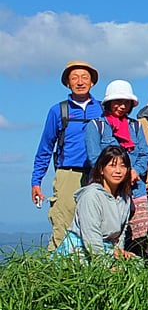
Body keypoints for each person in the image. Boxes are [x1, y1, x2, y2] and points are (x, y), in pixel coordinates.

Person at [31, 60, 104, 250]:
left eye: (84, 77)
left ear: (92, 82)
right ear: (68, 83)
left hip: (99, 174)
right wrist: (36, 182)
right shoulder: (58, 111)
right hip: (68, 173)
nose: (80, 82)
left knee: (99, 224)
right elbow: (45, 148)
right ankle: (54, 273)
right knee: (62, 224)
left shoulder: (103, 109)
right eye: (75, 78)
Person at [85, 80, 148, 248]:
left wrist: (134, 171)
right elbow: (94, 158)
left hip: (135, 189)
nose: (122, 106)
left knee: (140, 239)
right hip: (106, 191)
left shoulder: (135, 126)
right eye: (118, 102)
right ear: (109, 103)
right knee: (107, 233)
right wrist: (117, 175)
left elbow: (144, 153)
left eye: (126, 102)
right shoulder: (96, 126)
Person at [54, 145, 134, 260]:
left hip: (107, 248)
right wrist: (104, 266)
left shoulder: (125, 197)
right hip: (80, 250)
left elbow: (122, 232)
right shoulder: (91, 196)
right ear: (101, 169)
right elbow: (91, 235)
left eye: (123, 166)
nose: (118, 171)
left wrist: (119, 253)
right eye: (112, 165)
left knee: (137, 263)